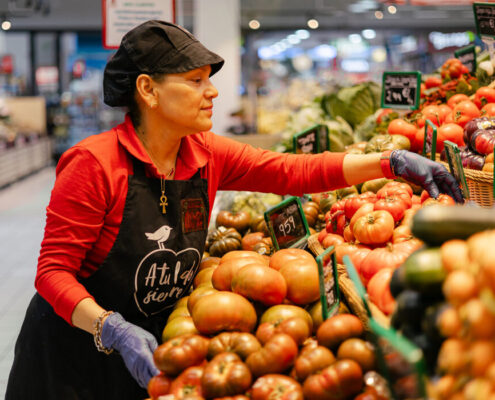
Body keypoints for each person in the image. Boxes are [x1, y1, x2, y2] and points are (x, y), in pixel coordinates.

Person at [6, 20, 462, 400]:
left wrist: (388, 162)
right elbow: (52, 273)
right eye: (195, 81)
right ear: (147, 89)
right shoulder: (94, 163)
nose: (212, 93)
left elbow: (292, 171)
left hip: (154, 347)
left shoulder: (204, 153)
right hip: (74, 352)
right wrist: (111, 328)